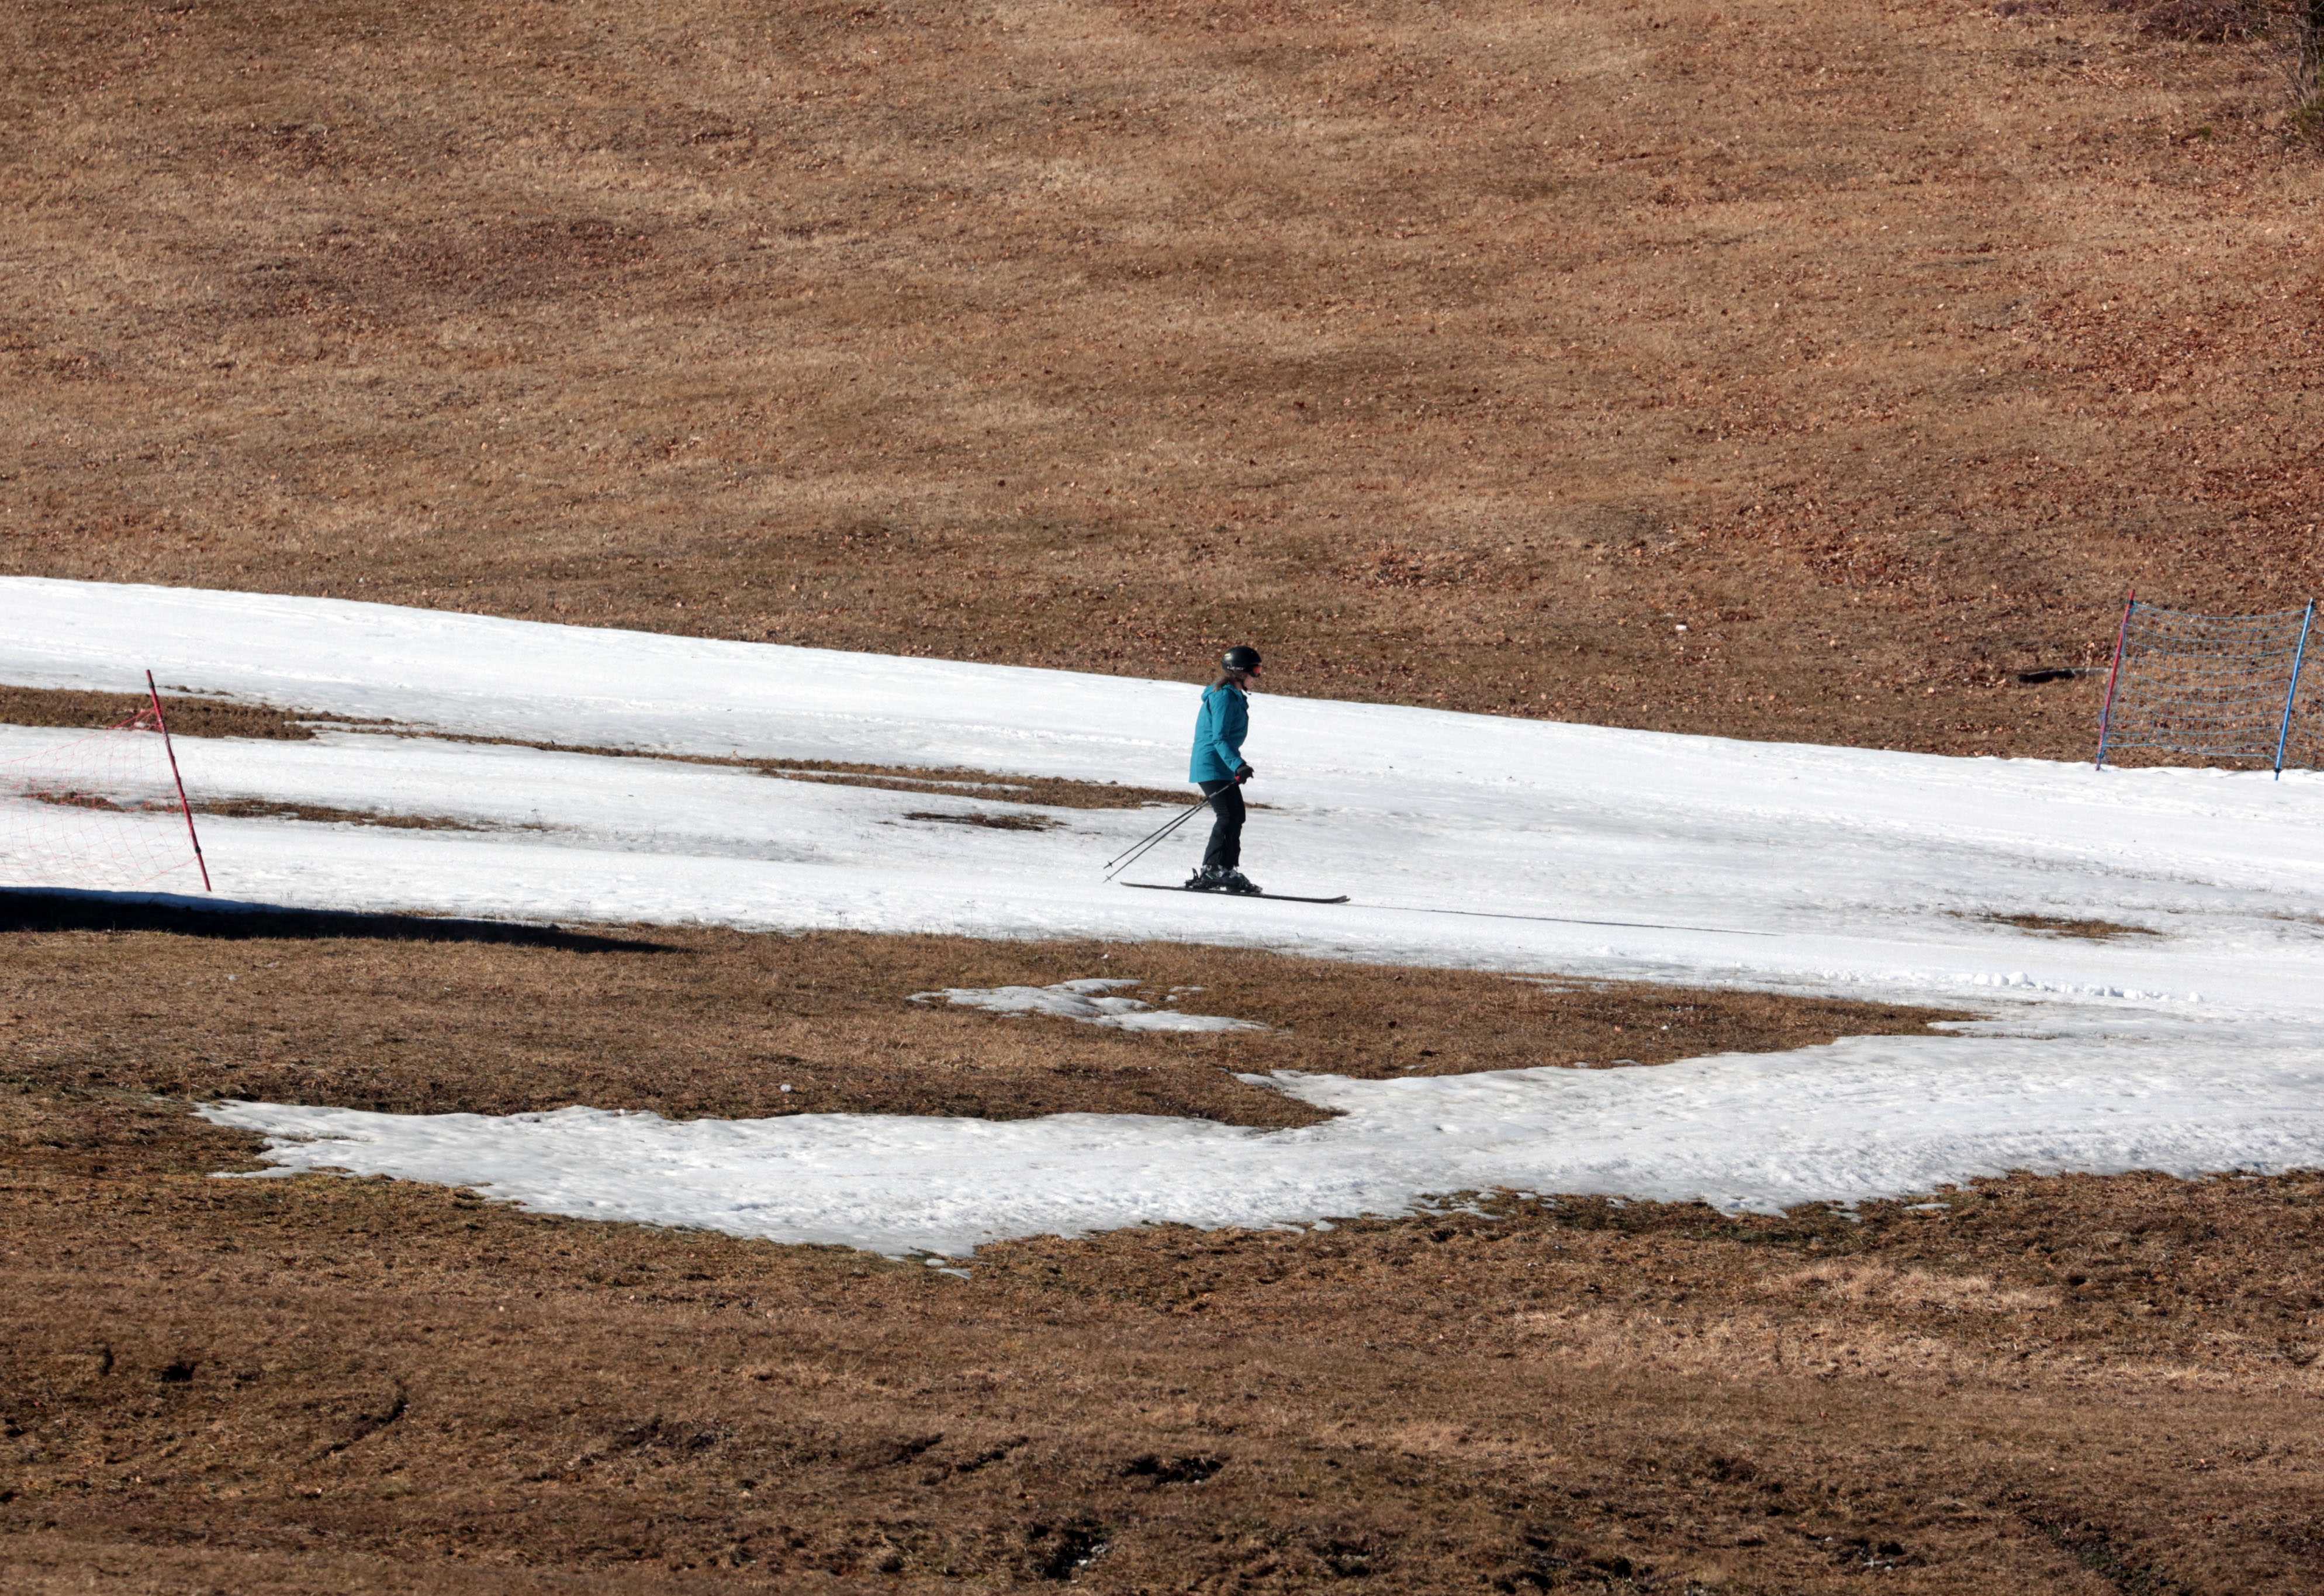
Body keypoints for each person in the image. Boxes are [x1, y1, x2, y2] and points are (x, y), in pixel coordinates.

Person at [1186, 645, 1263, 893]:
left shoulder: (1233, 696)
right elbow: (1219, 738)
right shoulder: (1223, 697)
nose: (1258, 676)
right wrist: (1237, 764)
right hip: (1210, 765)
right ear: (1240, 672)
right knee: (1228, 816)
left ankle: (1227, 869)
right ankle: (1212, 869)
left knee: (1237, 815)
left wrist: (1235, 766)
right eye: (1256, 670)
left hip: (1221, 766)